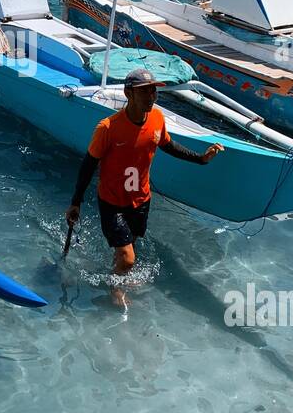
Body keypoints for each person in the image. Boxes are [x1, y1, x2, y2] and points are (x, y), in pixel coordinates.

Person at [64, 68, 224, 309]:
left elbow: (169, 146)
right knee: (129, 260)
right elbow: (88, 166)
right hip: (112, 202)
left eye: (153, 91)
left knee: (131, 246)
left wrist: (200, 159)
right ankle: (115, 287)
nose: (152, 96)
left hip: (141, 199)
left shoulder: (157, 118)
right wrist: (76, 201)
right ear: (129, 93)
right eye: (145, 91)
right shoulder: (108, 128)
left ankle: (118, 267)